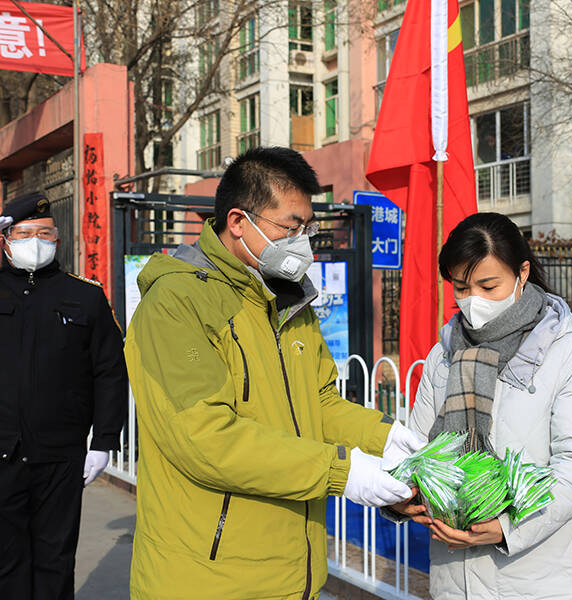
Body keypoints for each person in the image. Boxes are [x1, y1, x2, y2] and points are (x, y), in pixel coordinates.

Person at [124, 147, 423, 599]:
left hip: (290, 575)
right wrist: (342, 471)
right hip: (207, 581)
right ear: (238, 221)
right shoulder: (177, 302)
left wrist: (384, 437)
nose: (301, 239)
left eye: (307, 227)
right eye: (290, 226)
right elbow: (207, 439)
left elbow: (319, 404)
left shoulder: (288, 300)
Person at [389, 212, 572, 599]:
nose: (474, 301)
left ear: (522, 273)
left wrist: (508, 526)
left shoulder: (567, 350)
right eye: (461, 287)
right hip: (456, 575)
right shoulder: (444, 353)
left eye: (489, 285)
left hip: (542, 577)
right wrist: (405, 494)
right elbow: (417, 447)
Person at [0, 192, 128, 599]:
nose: (35, 242)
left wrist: (104, 442)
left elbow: (109, 372)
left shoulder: (85, 296)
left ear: (56, 239)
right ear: (5, 240)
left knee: (56, 557)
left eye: (44, 233)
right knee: (7, 559)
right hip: (1, 452)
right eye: (24, 234)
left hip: (61, 454)